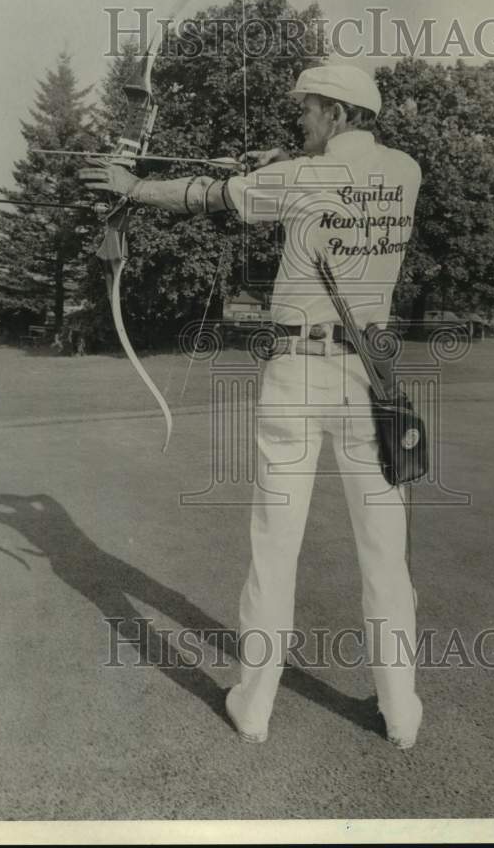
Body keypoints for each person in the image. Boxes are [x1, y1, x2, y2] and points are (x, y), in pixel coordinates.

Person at [91, 64, 424, 749]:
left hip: (299, 375)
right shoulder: (404, 171)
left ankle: (255, 707)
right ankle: (402, 715)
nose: (296, 120)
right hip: (370, 377)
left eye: (305, 110)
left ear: (333, 112)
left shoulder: (300, 178)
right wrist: (285, 161)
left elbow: (205, 196)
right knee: (385, 555)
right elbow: (329, 182)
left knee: (275, 545)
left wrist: (132, 188)